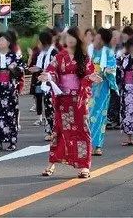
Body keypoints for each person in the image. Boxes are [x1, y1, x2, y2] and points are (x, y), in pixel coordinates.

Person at [39, 27, 99, 179]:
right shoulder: (59, 57)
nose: (70, 40)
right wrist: (49, 77)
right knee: (58, 130)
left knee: (82, 131)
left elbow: (88, 75)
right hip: (63, 100)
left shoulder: (85, 57)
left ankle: (84, 165)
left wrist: (90, 78)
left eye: (73, 37)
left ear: (79, 39)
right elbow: (52, 71)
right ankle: (52, 162)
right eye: (68, 37)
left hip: (78, 100)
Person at [0, 32, 25, 151]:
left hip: (10, 88)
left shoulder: (15, 56)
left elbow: (22, 70)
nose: (0, 42)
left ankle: (12, 140)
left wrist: (14, 69)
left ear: (8, 42)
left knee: (10, 114)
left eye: (3, 40)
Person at [89, 28, 118, 156]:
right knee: (87, 116)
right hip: (89, 87)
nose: (97, 40)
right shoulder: (89, 51)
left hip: (102, 88)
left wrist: (105, 70)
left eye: (99, 38)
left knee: (100, 116)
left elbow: (112, 69)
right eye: (96, 37)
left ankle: (98, 145)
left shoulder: (109, 53)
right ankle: (87, 144)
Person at [30, 30, 58, 140]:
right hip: (43, 82)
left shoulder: (54, 52)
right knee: (47, 107)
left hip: (52, 83)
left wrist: (42, 70)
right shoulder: (43, 54)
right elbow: (43, 67)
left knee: (52, 107)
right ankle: (50, 130)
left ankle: (55, 131)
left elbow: (54, 68)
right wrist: (36, 69)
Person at [107, 29, 122, 130]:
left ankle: (116, 119)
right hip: (107, 77)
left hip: (119, 77)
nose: (115, 39)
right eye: (114, 37)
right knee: (109, 98)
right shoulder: (105, 50)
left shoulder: (121, 50)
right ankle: (108, 119)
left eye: (117, 37)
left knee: (116, 98)